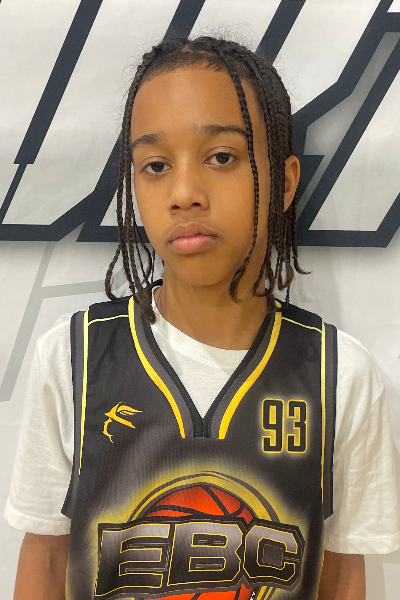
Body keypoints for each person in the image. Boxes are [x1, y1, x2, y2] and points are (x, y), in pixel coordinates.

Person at [5, 36, 399, 600]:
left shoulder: (341, 376)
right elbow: (44, 560)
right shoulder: (73, 358)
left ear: (284, 182)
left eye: (221, 157)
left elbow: (341, 576)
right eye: (156, 165)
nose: (185, 193)